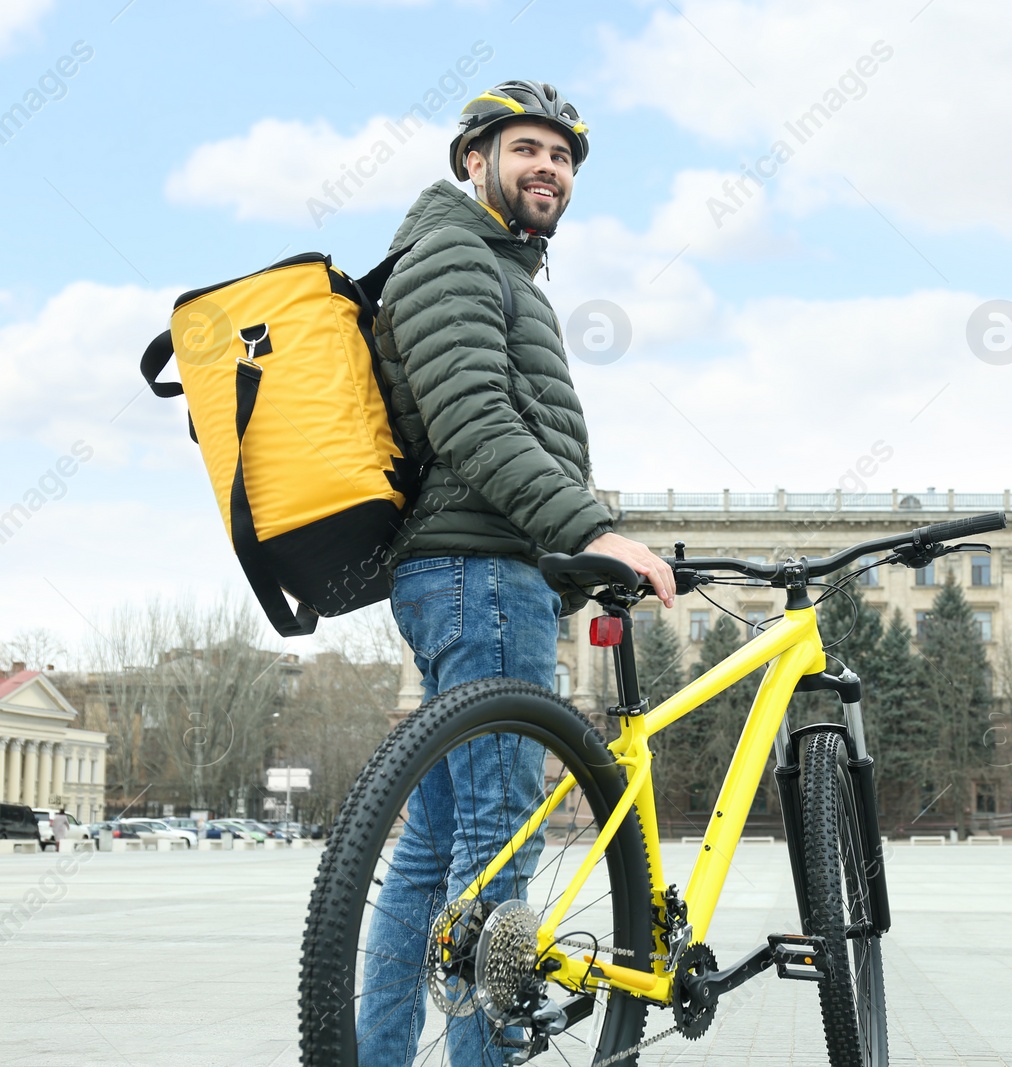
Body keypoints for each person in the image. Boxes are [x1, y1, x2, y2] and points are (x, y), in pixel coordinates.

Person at [357, 79, 676, 1066]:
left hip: (469, 573)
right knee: (499, 849)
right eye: (526, 149)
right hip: (482, 575)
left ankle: (368, 1054)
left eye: (564, 157)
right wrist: (595, 530)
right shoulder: (454, 252)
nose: (549, 169)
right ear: (473, 160)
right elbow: (476, 424)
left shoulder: (493, 263)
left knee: (431, 855)